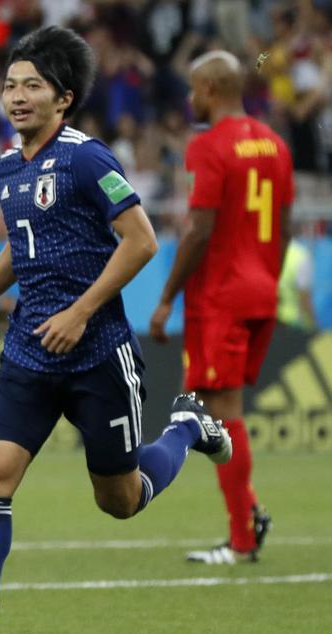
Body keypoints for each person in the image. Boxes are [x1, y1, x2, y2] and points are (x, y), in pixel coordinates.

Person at [0, 26, 232, 634]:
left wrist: (81, 310)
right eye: (9, 85)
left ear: (63, 99)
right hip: (29, 352)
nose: (15, 96)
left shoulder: (88, 159)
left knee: (118, 501)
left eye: (31, 86)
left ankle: (185, 427)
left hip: (98, 354)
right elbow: (21, 243)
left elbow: (143, 241)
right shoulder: (8, 166)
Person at [149, 50, 294, 565]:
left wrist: (166, 298)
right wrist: (269, 279)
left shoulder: (209, 146)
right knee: (215, 407)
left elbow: (199, 229)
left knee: (219, 412)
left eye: (192, 89)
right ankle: (249, 511)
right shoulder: (275, 144)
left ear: (209, 89)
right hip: (261, 289)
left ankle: (242, 538)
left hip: (222, 294)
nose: (189, 99)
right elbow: (286, 224)